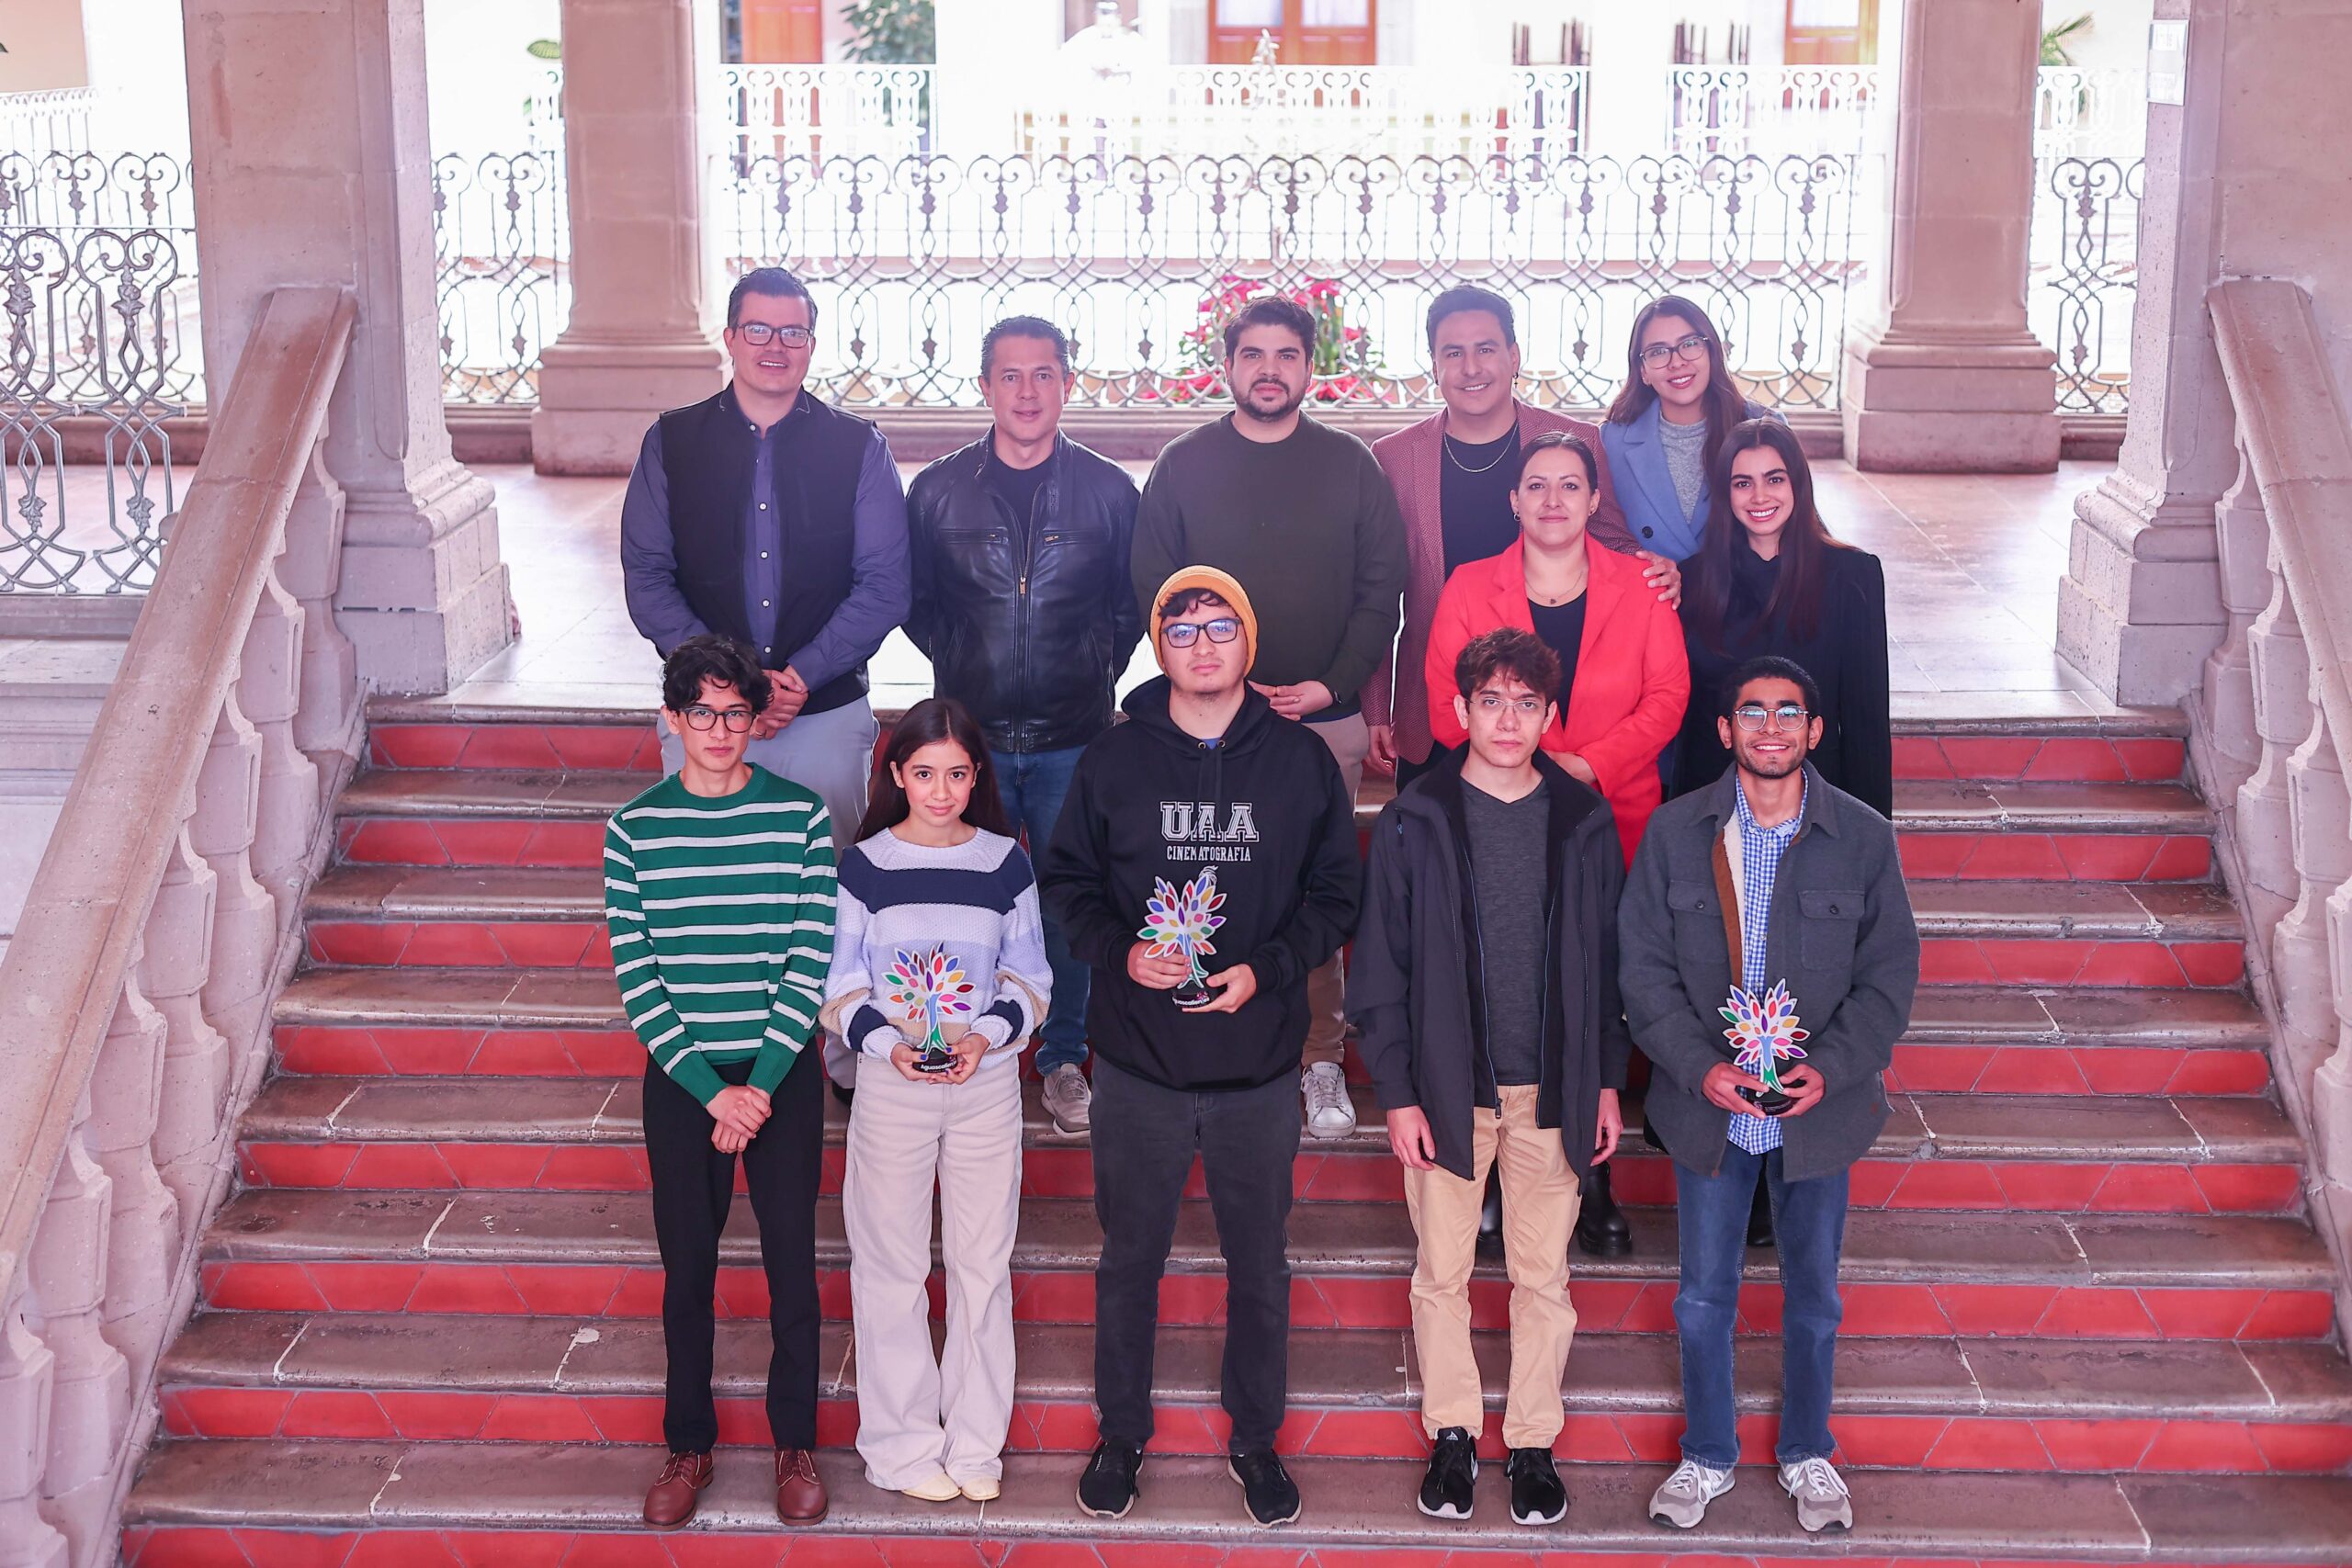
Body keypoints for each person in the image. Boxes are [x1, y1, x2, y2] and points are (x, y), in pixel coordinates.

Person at [1041, 568, 1361, 1529]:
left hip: (1256, 1069)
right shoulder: (1114, 758)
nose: (1203, 643)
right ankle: (1121, 1433)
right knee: (1128, 1259)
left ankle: (1255, 1439)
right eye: (1181, 629)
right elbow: (1067, 884)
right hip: (1138, 1065)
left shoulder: (1300, 761)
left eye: (1221, 626)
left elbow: (1335, 895)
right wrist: (1119, 952)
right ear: (1159, 647)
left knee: (1259, 1265)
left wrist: (1267, 970)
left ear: (1248, 643)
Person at [1620, 656, 1920, 1538]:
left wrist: (1833, 1066)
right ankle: (1707, 1453)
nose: (1771, 728)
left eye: (1790, 713)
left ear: (1814, 731)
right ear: (1726, 730)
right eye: (1752, 712)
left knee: (1814, 1296)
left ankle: (1807, 1450)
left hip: (1818, 1111)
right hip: (1709, 1108)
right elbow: (1642, 970)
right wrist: (1698, 1067)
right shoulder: (1675, 834)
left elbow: (1889, 975)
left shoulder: (1863, 838)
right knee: (1702, 1296)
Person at [1350, 627, 1629, 1529]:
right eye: (1492, 701)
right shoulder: (1414, 819)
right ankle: (1454, 1435)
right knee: (1443, 1271)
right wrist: (1397, 1092)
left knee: (1544, 1275)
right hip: (1445, 1088)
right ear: (1461, 709)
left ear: (1550, 716)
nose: (1509, 720)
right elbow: (1380, 970)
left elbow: (1608, 963)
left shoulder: (1583, 822)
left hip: (1552, 1086)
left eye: (1527, 704)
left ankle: (1534, 1442)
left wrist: (1606, 1079)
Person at [619, 265, 911, 1102]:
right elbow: (647, 574)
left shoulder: (858, 445)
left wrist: (801, 675)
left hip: (823, 712)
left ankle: (845, 1058)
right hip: (708, 716)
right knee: (710, 893)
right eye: (759, 329)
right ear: (730, 337)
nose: (775, 346)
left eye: (793, 332)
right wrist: (733, 687)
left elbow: (886, 583)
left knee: (833, 892)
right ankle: (723, 1063)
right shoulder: (672, 441)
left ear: (812, 343)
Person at [1129, 294, 1408, 1141]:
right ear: (1228, 365)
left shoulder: (1350, 465)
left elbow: (1382, 588)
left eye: (1287, 354)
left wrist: (1333, 683)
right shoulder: (1183, 463)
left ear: (1310, 367)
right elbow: (1155, 586)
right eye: (1253, 354)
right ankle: (1207, 1044)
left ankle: (1320, 1057)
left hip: (1322, 721)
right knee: (1209, 882)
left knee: (1311, 890)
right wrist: (1216, 687)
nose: (1270, 370)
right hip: (1208, 724)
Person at [608, 635, 839, 1530]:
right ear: (672, 719)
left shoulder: (801, 818)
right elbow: (640, 979)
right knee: (687, 1271)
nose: (717, 728)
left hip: (780, 1074)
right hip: (684, 1080)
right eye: (700, 711)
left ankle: (795, 1444)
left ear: (755, 720)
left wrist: (760, 1086)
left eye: (734, 712)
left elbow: (808, 961)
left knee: (792, 1267)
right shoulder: (633, 829)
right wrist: (714, 1092)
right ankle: (689, 1444)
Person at [905, 315, 1142, 1139]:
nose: (1028, 391)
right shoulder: (937, 491)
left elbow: (1130, 606)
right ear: (985, 386)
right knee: (969, 899)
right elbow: (917, 604)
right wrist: (963, 660)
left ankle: (1063, 1056)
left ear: (1068, 384)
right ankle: (971, 1041)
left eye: (1045, 374)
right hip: (969, 745)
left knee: (1067, 905)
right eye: (1011, 375)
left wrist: (1093, 664)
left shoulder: (1109, 491)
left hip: (1074, 736)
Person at [820, 697, 1051, 1506]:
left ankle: (976, 1440)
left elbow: (1030, 977)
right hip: (894, 1084)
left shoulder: (1005, 863)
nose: (942, 790)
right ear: (896, 774)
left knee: (982, 1263)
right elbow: (841, 983)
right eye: (924, 773)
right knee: (890, 1264)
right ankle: (901, 1444)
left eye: (957, 773)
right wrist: (890, 1045)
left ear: (976, 776)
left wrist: (983, 1037)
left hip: (983, 1082)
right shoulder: (864, 866)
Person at [1368, 284, 1681, 792]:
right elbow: (1378, 591)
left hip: (1555, 697)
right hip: (1441, 705)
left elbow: (1608, 535)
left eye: (1486, 348)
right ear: (1434, 364)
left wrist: (1654, 566)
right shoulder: (1395, 457)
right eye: (1454, 353)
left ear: (1514, 357)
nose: (1471, 367)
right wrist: (1375, 704)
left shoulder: (1575, 440)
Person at [1670, 419, 1893, 818]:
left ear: (1797, 485)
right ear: (1725, 493)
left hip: (1817, 801)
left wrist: (1872, 837)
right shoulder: (1692, 579)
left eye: (1774, 479)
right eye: (1743, 483)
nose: (1759, 496)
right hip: (1716, 803)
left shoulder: (1853, 576)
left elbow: (1866, 721)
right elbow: (1692, 724)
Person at [1600, 295, 1782, 564]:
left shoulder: (1764, 427)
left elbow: (1796, 527)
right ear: (1643, 371)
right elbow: (1603, 538)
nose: (1676, 362)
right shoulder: (1611, 440)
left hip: (1745, 587)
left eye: (1689, 344)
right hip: (1650, 587)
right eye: (1658, 352)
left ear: (1712, 352)